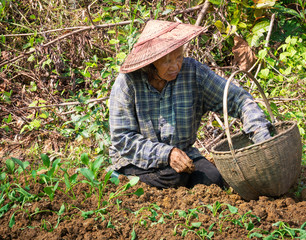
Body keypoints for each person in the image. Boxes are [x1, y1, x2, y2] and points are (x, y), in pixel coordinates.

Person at [108, 20, 272, 189]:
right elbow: (123, 138)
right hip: (135, 159)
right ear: (151, 63)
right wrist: (167, 154)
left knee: (212, 179)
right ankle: (120, 179)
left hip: (183, 153)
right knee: (172, 178)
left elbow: (238, 99)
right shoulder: (127, 83)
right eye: (166, 61)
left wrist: (259, 131)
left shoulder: (193, 73)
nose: (175, 66)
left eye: (179, 57)